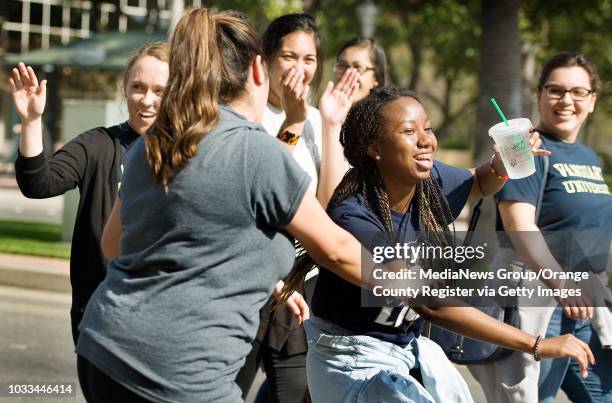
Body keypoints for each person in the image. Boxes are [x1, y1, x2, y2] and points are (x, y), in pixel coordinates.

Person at [74, 8, 370, 402]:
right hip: (177, 373)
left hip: (101, 349)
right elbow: (337, 249)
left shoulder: (159, 140)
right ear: (259, 71)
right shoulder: (256, 151)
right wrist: (418, 284)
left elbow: (114, 247)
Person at [277, 85, 595, 402]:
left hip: (403, 348)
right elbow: (429, 304)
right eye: (409, 131)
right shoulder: (357, 219)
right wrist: (535, 344)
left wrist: (501, 166)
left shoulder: (429, 183)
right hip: (353, 355)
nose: (426, 140)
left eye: (427, 128)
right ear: (376, 147)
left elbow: (479, 181)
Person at [468, 52, 612, 403]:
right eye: (556, 90)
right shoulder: (524, 149)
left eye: (579, 92)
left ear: (592, 100)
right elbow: (519, 225)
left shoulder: (589, 158)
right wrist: (560, 282)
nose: (567, 100)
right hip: (539, 303)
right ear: (539, 94)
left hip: (586, 306)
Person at [235, 15, 362, 402]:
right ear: (266, 60)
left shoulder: (319, 118)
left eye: (309, 59)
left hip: (301, 286)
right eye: (289, 56)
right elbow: (258, 184)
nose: (299, 68)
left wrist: (327, 124)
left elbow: (328, 207)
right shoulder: (249, 111)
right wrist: (292, 120)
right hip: (251, 282)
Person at [9, 42, 169, 345]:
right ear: (124, 88)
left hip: (164, 318)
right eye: (138, 87)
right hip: (100, 315)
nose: (147, 100)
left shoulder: (193, 155)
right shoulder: (98, 144)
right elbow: (38, 184)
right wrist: (31, 121)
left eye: (159, 90)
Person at [332, 36, 390, 102]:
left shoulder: (389, 111)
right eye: (342, 66)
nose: (348, 73)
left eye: (358, 67)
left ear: (377, 77)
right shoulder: (324, 111)